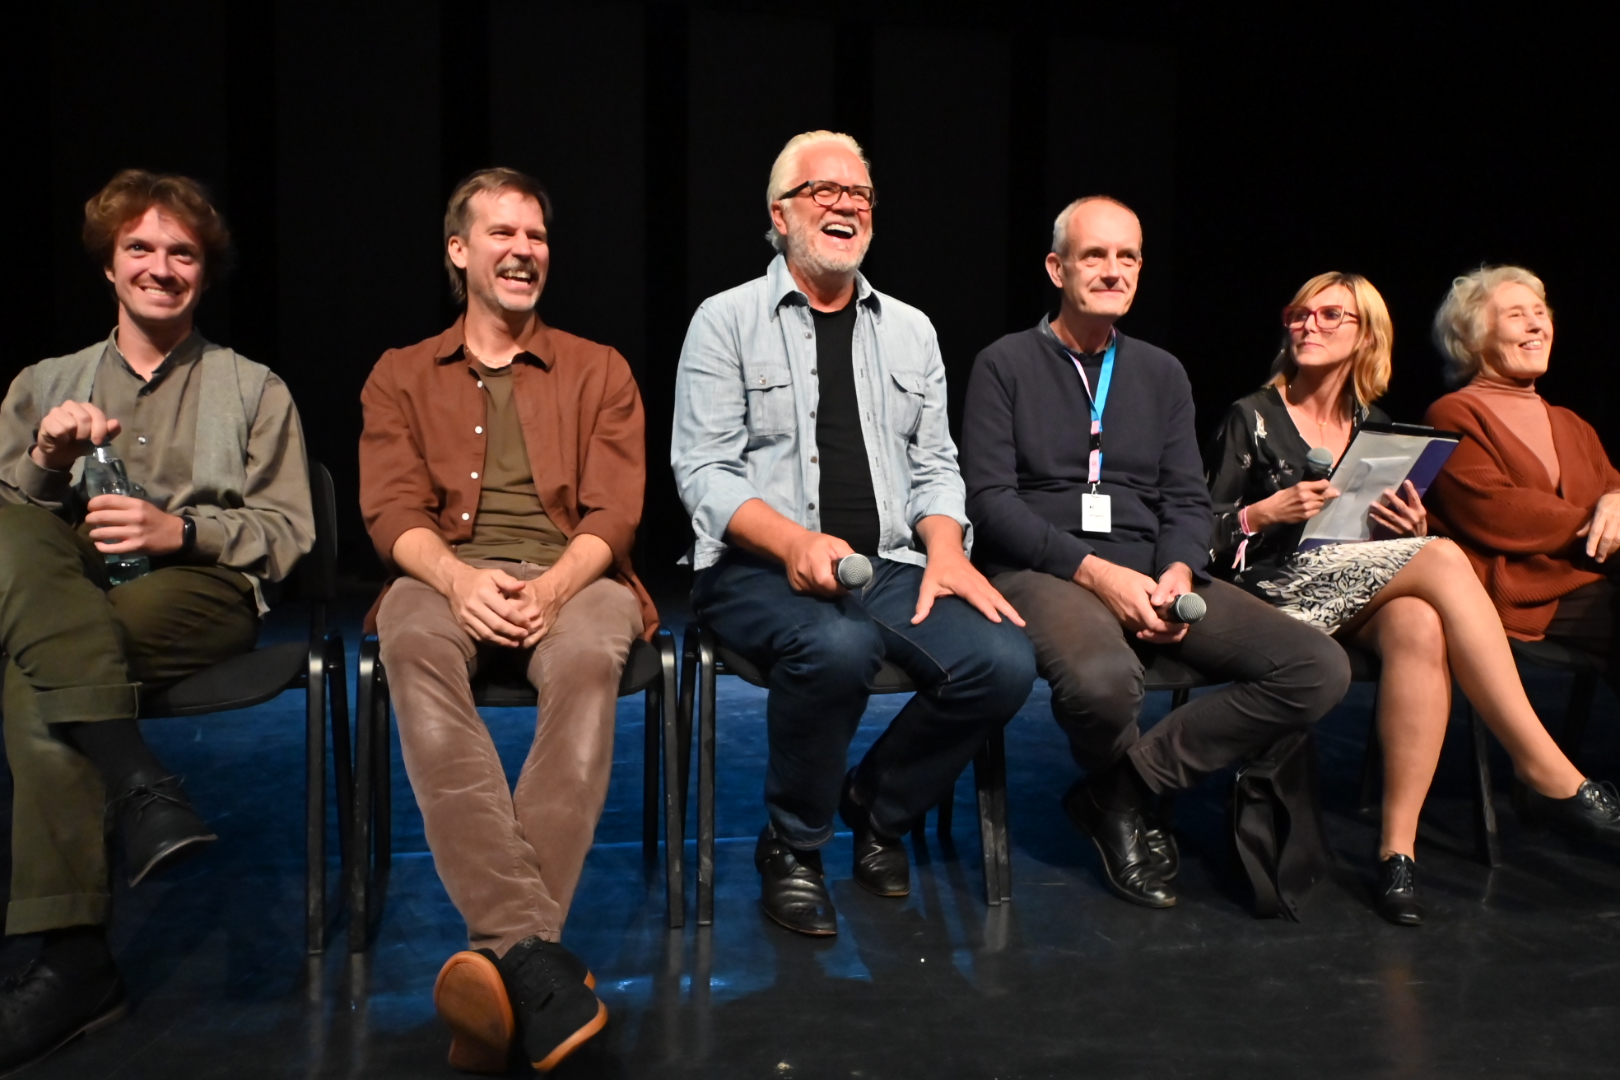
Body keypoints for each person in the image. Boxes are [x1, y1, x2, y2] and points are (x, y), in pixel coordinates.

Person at [671, 130, 1036, 937]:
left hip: (890, 563)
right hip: (755, 567)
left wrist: (946, 552)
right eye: (824, 192)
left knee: (1005, 661)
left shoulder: (910, 330)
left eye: (860, 195)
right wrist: (793, 542)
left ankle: (879, 807)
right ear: (780, 213)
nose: (846, 206)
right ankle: (794, 847)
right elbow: (704, 471)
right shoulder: (725, 321)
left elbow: (938, 463)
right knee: (836, 649)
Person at [0, 171, 314, 1071]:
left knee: (36, 673)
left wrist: (183, 529)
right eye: (140, 248)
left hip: (195, 589)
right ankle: (140, 787)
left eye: (182, 253)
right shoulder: (42, 386)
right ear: (108, 265)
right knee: (36, 616)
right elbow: (14, 535)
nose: (161, 267)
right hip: (69, 592)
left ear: (204, 275)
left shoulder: (254, 389)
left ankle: (69, 961)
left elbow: (289, 535)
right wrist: (47, 466)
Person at [960, 196, 1350, 912]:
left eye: (1128, 257)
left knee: (1316, 667)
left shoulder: (1162, 372)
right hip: (1042, 566)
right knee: (1106, 686)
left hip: (1152, 565)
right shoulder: (1005, 364)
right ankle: (1124, 805)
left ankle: (1123, 794)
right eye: (1095, 256)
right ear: (1057, 268)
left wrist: (1174, 569)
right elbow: (989, 503)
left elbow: (1186, 497)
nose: (1113, 271)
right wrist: (1097, 574)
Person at [1205, 270, 1620, 926]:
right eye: (1299, 315)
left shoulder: (1375, 425)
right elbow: (1204, 534)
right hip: (1267, 599)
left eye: (1329, 315)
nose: (1307, 325)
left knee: (1421, 621)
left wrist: (1408, 530)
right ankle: (1543, 769)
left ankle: (1398, 853)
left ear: (1365, 335)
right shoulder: (1253, 415)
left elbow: (1373, 537)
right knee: (1443, 558)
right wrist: (1266, 511)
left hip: (1348, 589)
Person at [360, 168, 654, 1073]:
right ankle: (532, 957)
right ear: (460, 251)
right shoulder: (400, 374)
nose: (525, 251)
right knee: (407, 639)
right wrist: (454, 579)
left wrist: (560, 585)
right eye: (503, 234)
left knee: (591, 660)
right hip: (448, 574)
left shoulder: (599, 367)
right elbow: (389, 512)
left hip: (575, 572)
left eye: (537, 237)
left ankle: (500, 962)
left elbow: (615, 514)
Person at [1424, 266, 1620, 665]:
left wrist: (1617, 501)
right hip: (1525, 593)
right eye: (1516, 315)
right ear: (1474, 336)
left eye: (1540, 313)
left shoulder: (1571, 422)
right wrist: (1602, 525)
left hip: (1596, 583)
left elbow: (1612, 487)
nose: (1536, 326)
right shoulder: (1452, 414)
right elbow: (1497, 513)